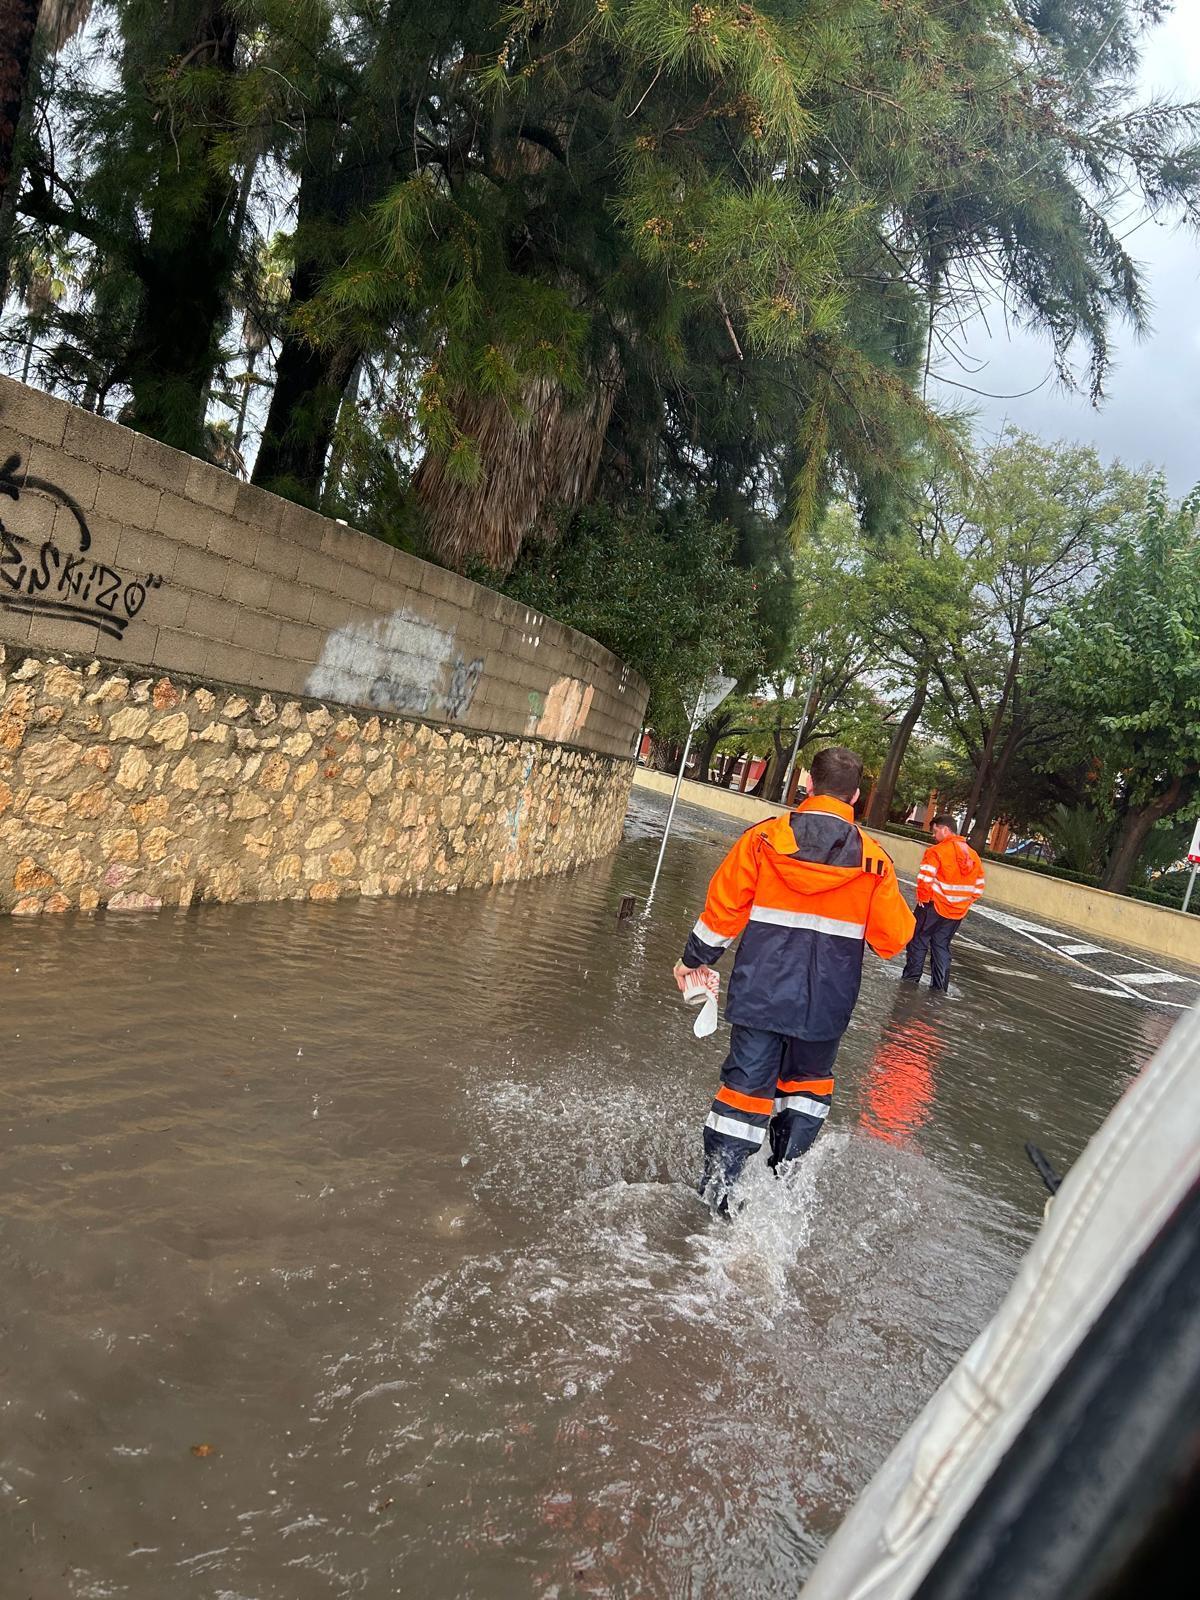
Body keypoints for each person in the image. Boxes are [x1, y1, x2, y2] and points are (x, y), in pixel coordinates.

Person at [673, 746, 916, 1214]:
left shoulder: (763, 841)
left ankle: (717, 1194)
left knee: (744, 1089)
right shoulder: (874, 862)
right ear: (857, 797)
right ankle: (779, 1182)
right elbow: (893, 940)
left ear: (807, 783)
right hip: (825, 1006)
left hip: (761, 995)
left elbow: (722, 914)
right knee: (806, 1088)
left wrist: (693, 960)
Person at [900, 812, 985, 991]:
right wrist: (962, 904)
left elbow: (925, 879)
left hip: (932, 906)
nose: (933, 835)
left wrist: (923, 899)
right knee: (941, 945)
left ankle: (909, 983)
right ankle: (940, 988)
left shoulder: (936, 852)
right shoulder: (973, 856)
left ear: (945, 830)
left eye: (935, 831)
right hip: (956, 912)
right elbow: (978, 889)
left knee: (919, 941)